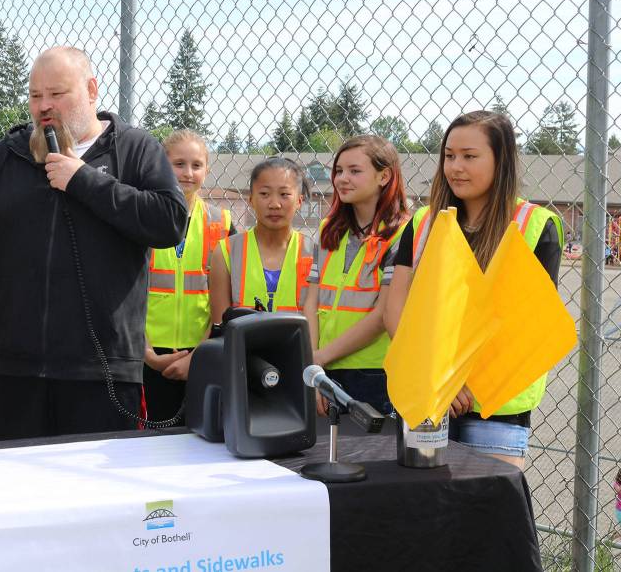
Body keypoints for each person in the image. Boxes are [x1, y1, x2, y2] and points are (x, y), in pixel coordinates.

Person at [0, 47, 187, 441]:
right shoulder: (7, 155)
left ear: (91, 90)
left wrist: (84, 181)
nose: (44, 106)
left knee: (94, 497)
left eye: (57, 94)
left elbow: (169, 220)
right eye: (35, 95)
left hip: (100, 371)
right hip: (14, 369)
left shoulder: (134, 150)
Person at [385, 110, 563, 468]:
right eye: (449, 156)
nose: (455, 167)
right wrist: (441, 380)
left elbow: (523, 326)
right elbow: (396, 309)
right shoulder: (423, 222)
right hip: (427, 394)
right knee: (423, 513)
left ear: (502, 160)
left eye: (469, 156)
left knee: (487, 515)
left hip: (495, 406)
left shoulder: (534, 225)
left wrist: (459, 380)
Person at [304, 136, 410, 416]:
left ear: (384, 176)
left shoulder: (402, 234)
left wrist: (320, 358)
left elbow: (382, 315)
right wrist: (314, 365)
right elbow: (311, 303)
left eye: (354, 171)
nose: (342, 179)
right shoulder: (330, 229)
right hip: (324, 369)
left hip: (373, 374)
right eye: (338, 171)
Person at [143, 130, 236, 424]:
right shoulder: (142, 214)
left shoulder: (220, 222)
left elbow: (226, 299)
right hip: (145, 353)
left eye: (196, 165)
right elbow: (125, 292)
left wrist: (198, 354)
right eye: (178, 164)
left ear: (207, 170)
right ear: (162, 165)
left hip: (202, 351)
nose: (188, 172)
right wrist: (146, 353)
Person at [208, 158, 313, 324]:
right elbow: (221, 325)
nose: (274, 204)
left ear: (299, 201)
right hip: (242, 349)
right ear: (251, 200)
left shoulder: (315, 253)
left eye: (284, 194)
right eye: (264, 194)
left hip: (298, 349)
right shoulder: (226, 251)